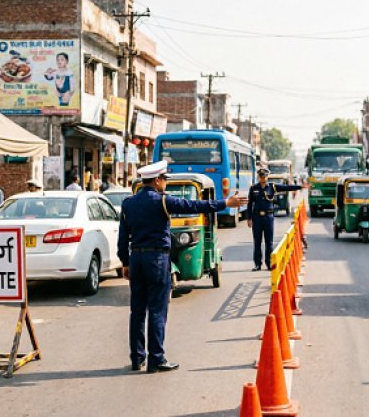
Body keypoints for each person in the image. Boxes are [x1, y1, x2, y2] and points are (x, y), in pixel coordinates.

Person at [117, 160, 247, 373]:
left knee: (137, 310)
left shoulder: (128, 203)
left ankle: (137, 358)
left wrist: (124, 262)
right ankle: (156, 359)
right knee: (158, 310)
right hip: (157, 259)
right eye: (164, 180)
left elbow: (123, 237)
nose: (165, 184)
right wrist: (225, 203)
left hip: (136, 260)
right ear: (157, 181)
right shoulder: (162, 201)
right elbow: (195, 206)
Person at [247, 168, 303, 271]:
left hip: (268, 217)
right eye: (261, 176)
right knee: (257, 241)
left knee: (269, 242)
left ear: (267, 177)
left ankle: (269, 263)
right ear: (258, 177)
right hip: (257, 218)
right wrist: (249, 218)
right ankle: (257, 264)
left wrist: (300, 186)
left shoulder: (272, 187)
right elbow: (250, 204)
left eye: (264, 176)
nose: (263, 178)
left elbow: (287, 187)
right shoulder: (254, 188)